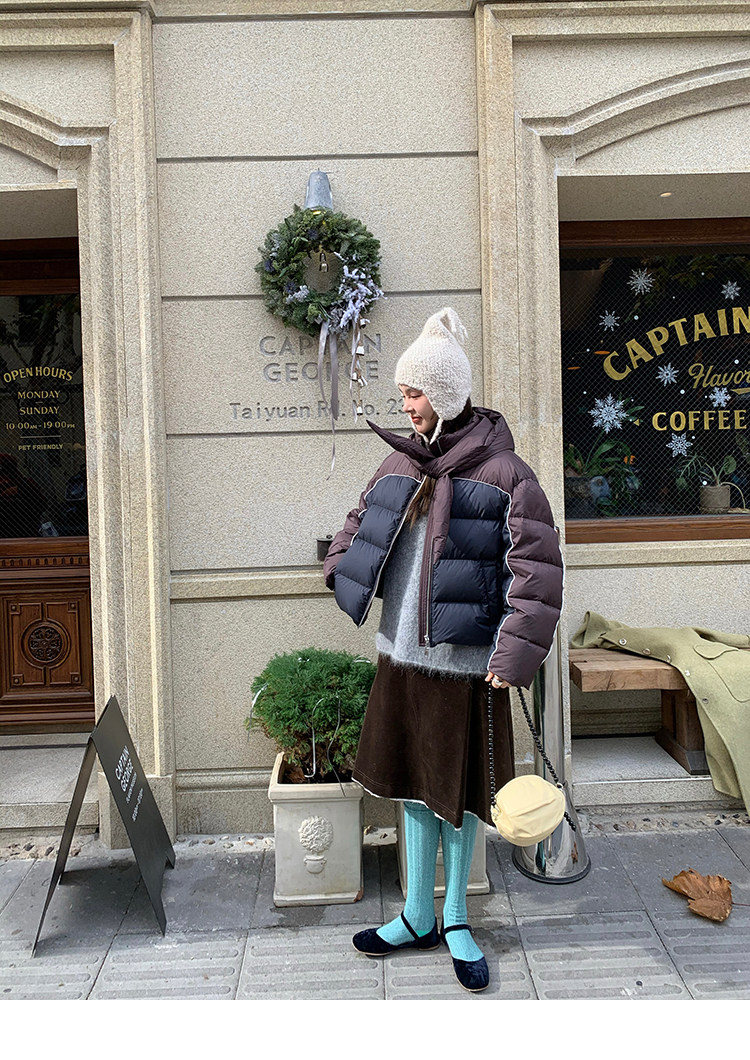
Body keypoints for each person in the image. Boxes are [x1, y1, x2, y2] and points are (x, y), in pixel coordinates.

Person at [323, 307, 564, 992]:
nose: (405, 404)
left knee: (456, 797)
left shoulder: (507, 475)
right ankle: (416, 915)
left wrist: (511, 657)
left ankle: (455, 917)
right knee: (409, 786)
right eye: (403, 392)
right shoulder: (400, 461)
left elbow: (537, 574)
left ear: (447, 394)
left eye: (415, 392)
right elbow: (358, 521)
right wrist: (340, 567)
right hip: (400, 659)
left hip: (466, 669)